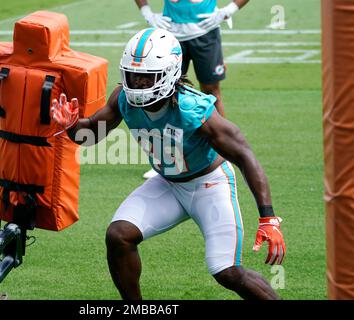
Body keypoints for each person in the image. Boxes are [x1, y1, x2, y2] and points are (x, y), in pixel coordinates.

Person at [51, 28, 286, 300]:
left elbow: (244, 154)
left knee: (227, 271)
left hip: (209, 184)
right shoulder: (124, 98)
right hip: (168, 183)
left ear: (169, 74)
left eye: (145, 77)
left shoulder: (192, 108)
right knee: (119, 236)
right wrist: (71, 125)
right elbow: (90, 132)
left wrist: (268, 217)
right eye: (132, 75)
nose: (137, 84)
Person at [135, 0, 249, 179]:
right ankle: (167, 158)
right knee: (167, 95)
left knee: (212, 92)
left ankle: (226, 151)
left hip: (205, 31)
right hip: (170, 37)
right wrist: (147, 12)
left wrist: (228, 10)